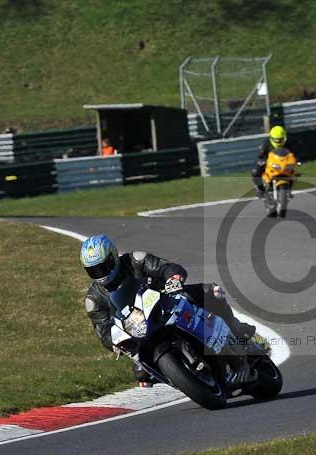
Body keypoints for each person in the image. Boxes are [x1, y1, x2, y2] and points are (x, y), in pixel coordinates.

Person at [80, 234, 256, 387]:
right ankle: (183, 379)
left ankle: (236, 329)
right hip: (138, 330)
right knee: (141, 375)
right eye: (94, 270)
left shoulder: (135, 260)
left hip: (166, 301)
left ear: (114, 256)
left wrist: (173, 278)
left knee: (213, 292)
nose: (100, 273)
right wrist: (114, 341)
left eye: (104, 266)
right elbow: (102, 330)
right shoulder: (94, 300)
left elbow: (165, 267)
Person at [251, 125, 290, 198]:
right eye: (276, 140)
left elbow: (292, 155)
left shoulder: (288, 144)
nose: (278, 141)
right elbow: (259, 156)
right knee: (255, 172)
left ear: (284, 138)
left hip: (282, 164)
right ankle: (260, 189)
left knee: (294, 172)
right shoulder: (265, 144)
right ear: (271, 138)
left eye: (280, 139)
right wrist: (262, 161)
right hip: (268, 164)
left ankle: (288, 188)